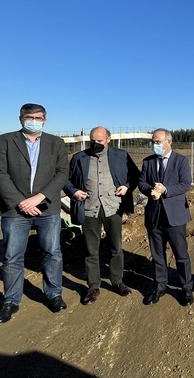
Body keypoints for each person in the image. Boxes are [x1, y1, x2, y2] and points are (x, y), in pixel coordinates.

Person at [0, 103, 68, 325]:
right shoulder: (4, 141)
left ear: (45, 119)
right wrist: (21, 202)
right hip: (15, 210)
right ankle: (10, 301)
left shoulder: (56, 143)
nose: (34, 120)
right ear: (21, 118)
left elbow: (62, 174)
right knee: (12, 256)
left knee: (52, 252)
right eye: (30, 116)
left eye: (39, 117)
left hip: (47, 208)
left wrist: (40, 197)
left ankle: (54, 294)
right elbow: (0, 175)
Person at [64, 126, 139, 304]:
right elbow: (65, 180)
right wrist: (74, 191)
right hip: (90, 210)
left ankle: (117, 281)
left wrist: (127, 186)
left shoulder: (121, 156)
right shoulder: (79, 158)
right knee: (91, 250)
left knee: (116, 248)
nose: (95, 143)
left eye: (99, 140)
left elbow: (135, 176)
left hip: (113, 208)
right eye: (92, 140)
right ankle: (93, 287)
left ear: (108, 139)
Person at [138, 128, 194, 306]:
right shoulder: (148, 162)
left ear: (169, 142)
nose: (154, 145)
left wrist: (166, 190)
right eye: (153, 142)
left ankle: (186, 289)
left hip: (175, 216)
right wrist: (151, 191)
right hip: (154, 215)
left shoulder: (181, 160)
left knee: (181, 255)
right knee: (157, 254)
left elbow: (186, 184)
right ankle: (160, 286)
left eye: (158, 142)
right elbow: (141, 182)